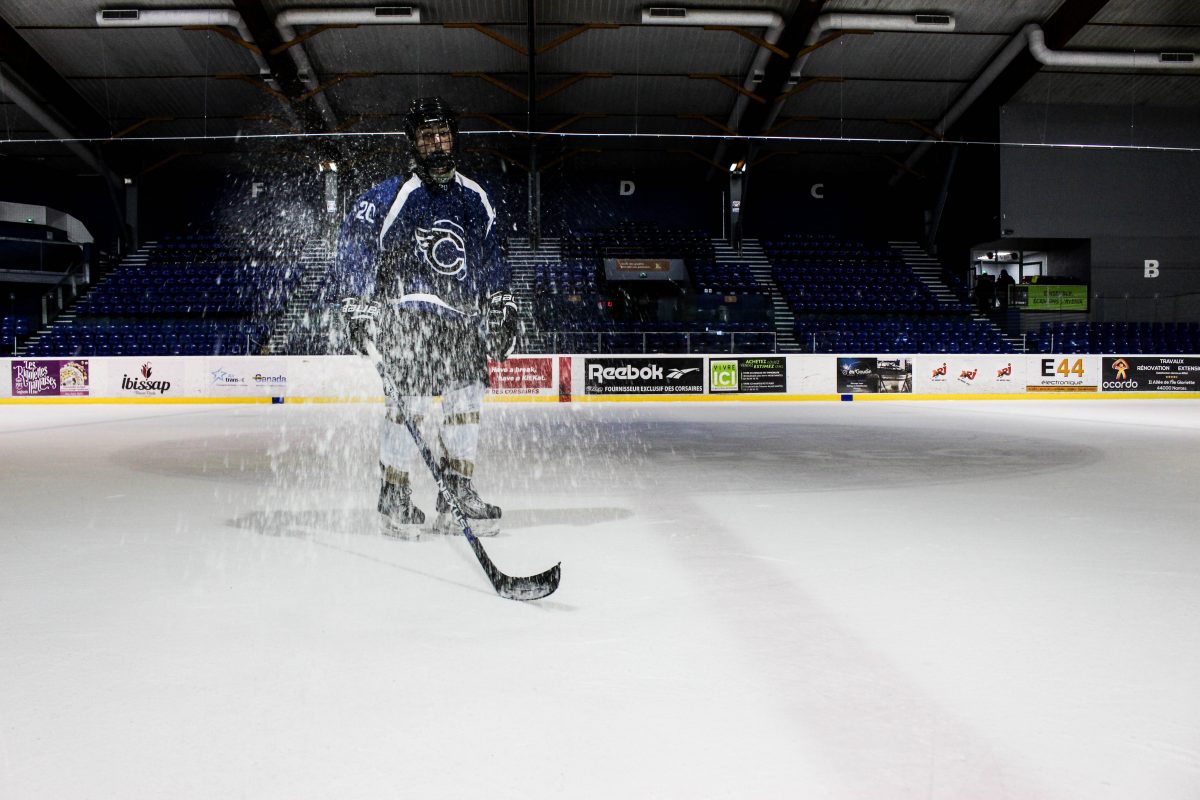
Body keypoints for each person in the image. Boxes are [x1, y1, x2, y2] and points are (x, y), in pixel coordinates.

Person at [330, 96, 518, 538]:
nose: (438, 144)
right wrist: (357, 301)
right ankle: (394, 493)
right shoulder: (396, 195)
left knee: (467, 402)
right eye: (428, 136)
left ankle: (457, 493)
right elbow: (357, 237)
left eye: (444, 134)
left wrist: (503, 301)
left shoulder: (475, 198)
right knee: (407, 406)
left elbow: (492, 257)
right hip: (406, 316)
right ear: (414, 143)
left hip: (461, 320)